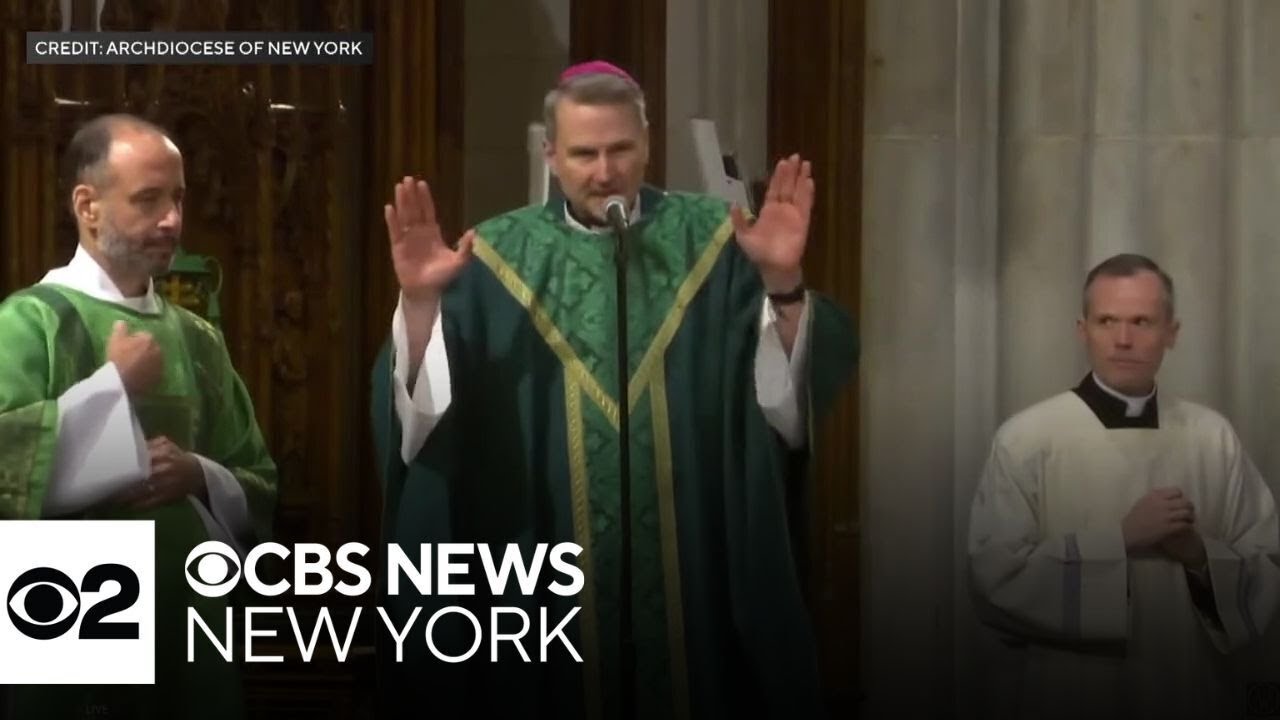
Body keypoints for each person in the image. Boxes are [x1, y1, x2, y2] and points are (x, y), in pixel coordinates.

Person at [370, 61, 858, 718]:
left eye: (621, 149)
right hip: (541, 593)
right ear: (551, 154)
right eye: (585, 153)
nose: (606, 172)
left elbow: (780, 415)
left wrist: (782, 283)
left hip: (695, 596)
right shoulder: (494, 255)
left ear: (648, 142)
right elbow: (423, 427)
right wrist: (423, 303)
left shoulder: (718, 240)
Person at [0, 114, 277, 719]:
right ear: (88, 205)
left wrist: (199, 474)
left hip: (191, 613)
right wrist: (112, 388)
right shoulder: (31, 321)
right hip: (76, 602)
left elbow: (257, 477)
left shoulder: (197, 337)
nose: (173, 220)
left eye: (177, 198)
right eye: (149, 200)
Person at [967, 253, 1280, 719]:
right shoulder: (1026, 439)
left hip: (1190, 683)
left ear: (1171, 332)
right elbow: (994, 579)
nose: (1123, 340)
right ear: (1082, 329)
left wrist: (1197, 555)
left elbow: (1267, 564)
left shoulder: (1212, 438)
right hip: (1069, 690)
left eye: (1142, 321)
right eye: (1107, 320)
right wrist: (1119, 541)